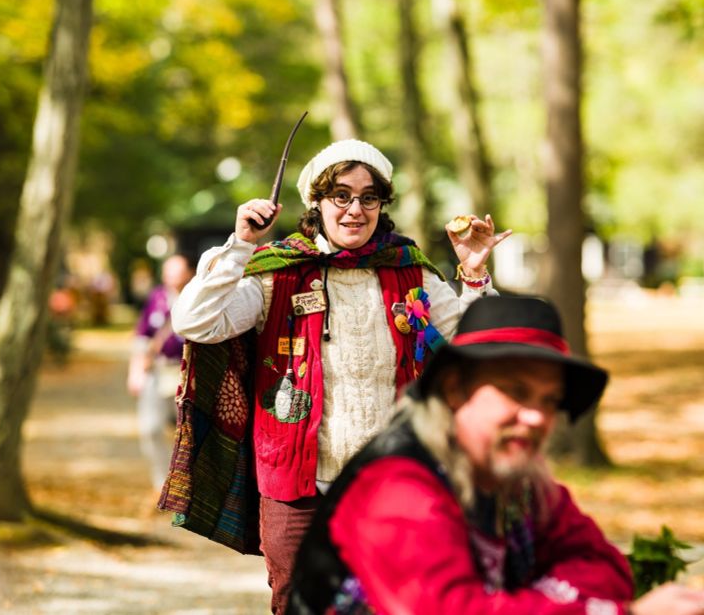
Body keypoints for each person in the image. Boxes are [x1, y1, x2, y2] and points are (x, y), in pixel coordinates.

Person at [169, 138, 510, 613]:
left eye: (369, 197)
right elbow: (194, 322)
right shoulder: (276, 274)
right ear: (317, 202)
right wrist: (241, 246)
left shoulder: (411, 271)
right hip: (297, 488)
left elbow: (477, 352)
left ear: (381, 205)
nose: (355, 209)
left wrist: (473, 276)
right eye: (341, 196)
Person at [287, 295, 704, 615]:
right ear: (456, 389)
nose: (536, 418)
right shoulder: (397, 489)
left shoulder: (517, 475)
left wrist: (521, 603)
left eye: (550, 401)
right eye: (516, 392)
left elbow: (604, 565)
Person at [127, 253, 195, 491]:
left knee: (190, 429)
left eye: (176, 271)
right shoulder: (157, 297)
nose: (171, 276)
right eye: (168, 271)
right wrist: (135, 370)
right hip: (157, 370)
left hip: (187, 373)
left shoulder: (198, 295)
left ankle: (189, 480)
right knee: (151, 427)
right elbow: (142, 336)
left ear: (188, 273)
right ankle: (163, 480)